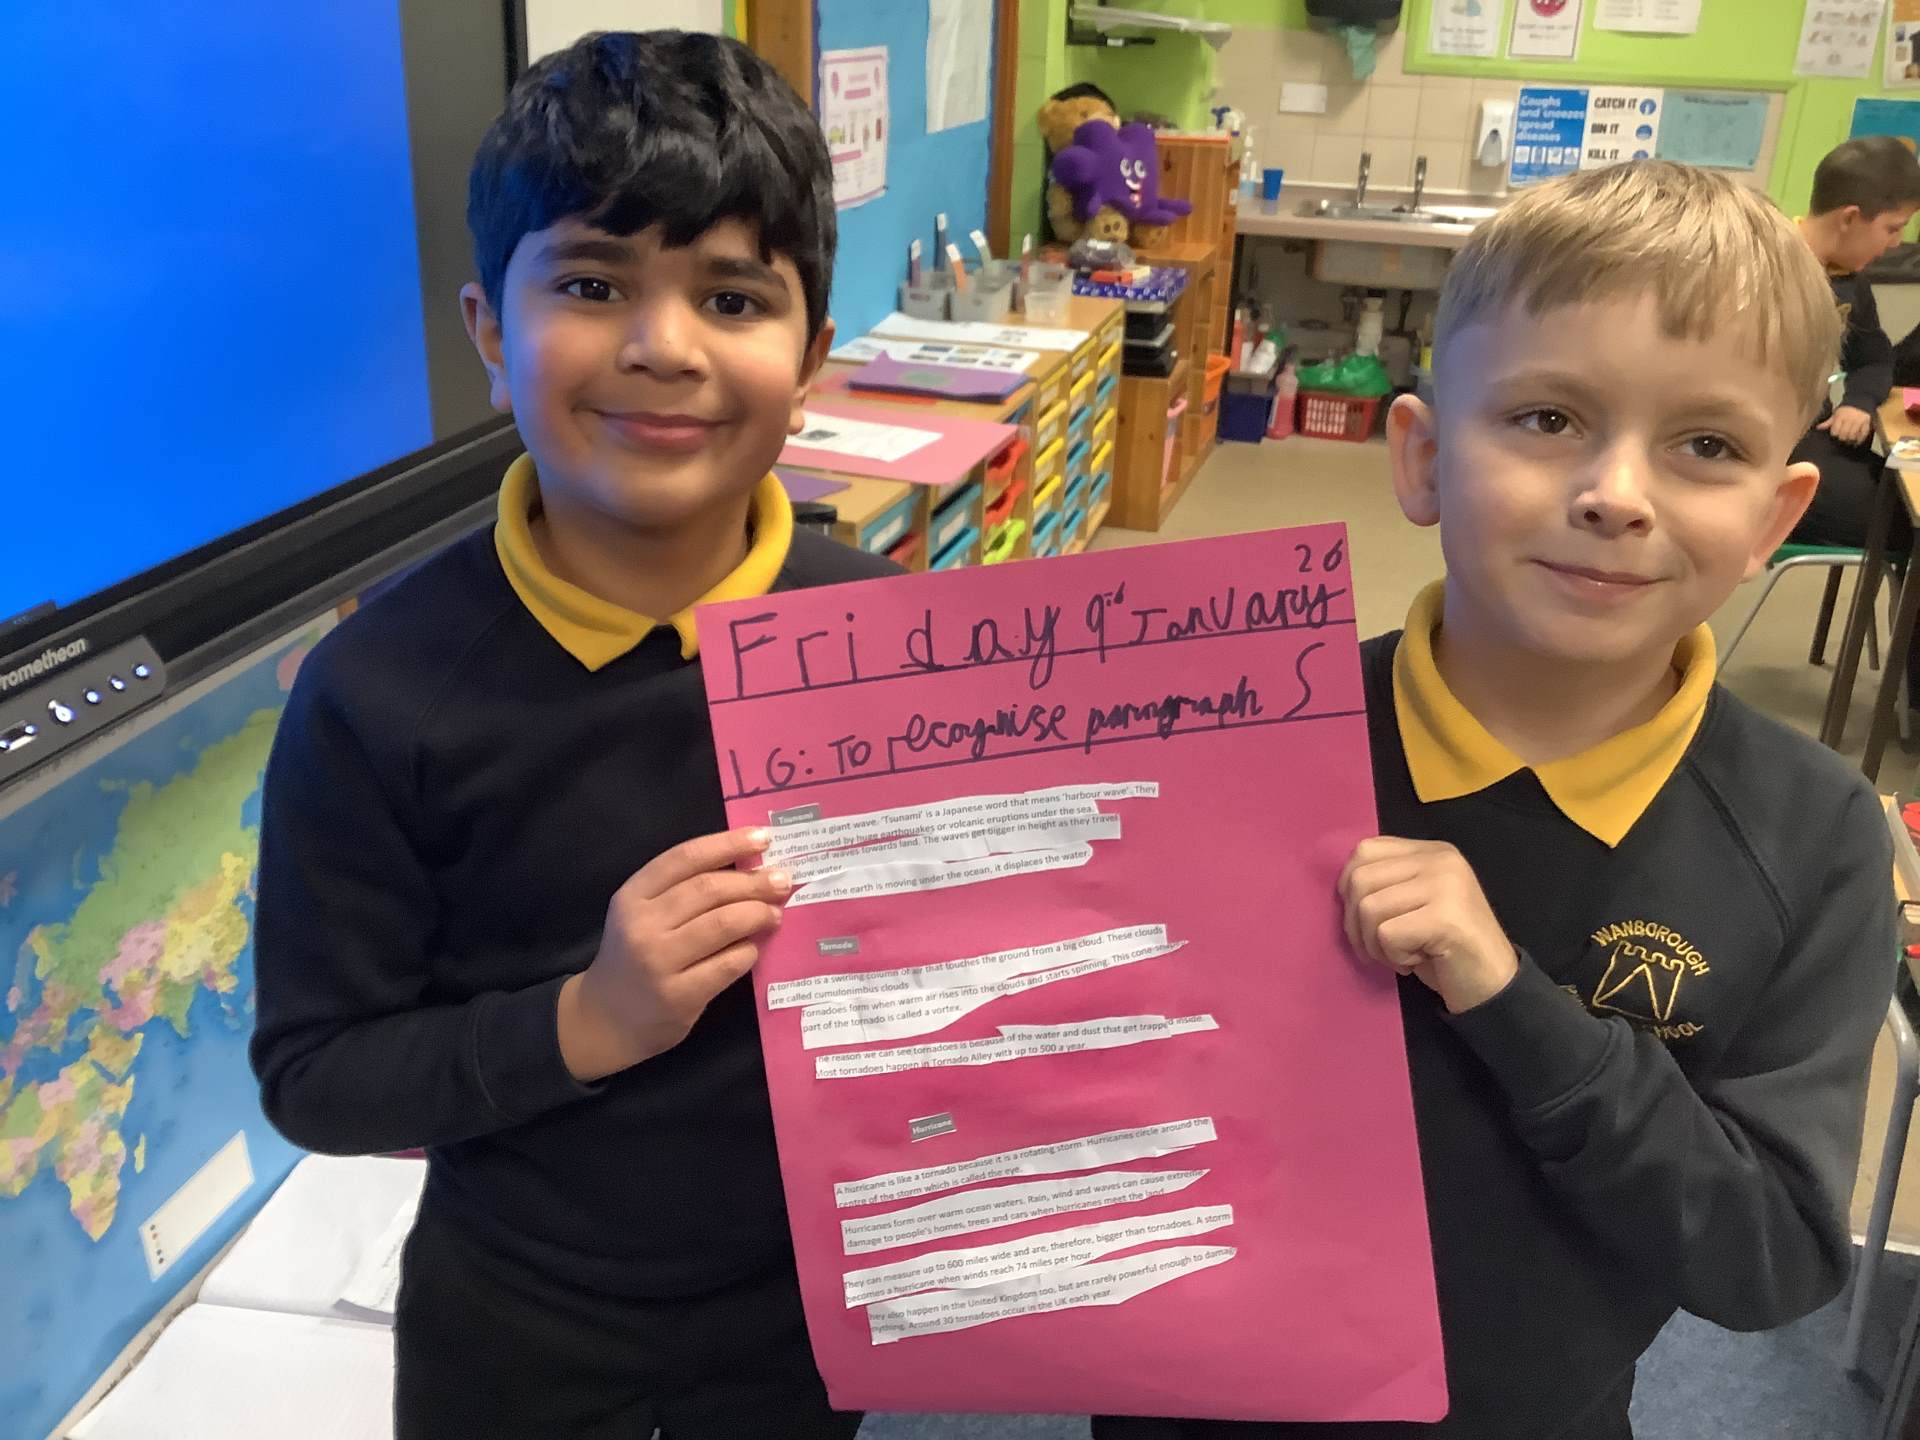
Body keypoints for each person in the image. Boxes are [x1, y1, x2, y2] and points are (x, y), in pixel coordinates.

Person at [1097, 163, 1897, 1438]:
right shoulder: (1223, 744)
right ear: (1421, 458)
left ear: (1774, 517)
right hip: (1188, 1403)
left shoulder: (1814, 837)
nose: (1617, 493)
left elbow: (1772, 1256)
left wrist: (1517, 1006)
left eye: (1706, 446)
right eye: (1547, 418)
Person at [250, 31, 896, 1440]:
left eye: (732, 298)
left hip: (813, 1311)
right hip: (520, 1319)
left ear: (810, 360)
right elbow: (315, 1074)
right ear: (491, 330)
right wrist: (589, 1020)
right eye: (594, 286)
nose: (663, 346)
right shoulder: (378, 691)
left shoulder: (889, 640)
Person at [1789, 135, 1920, 700]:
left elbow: (1875, 358)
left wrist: (1858, 402)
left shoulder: (1846, 278)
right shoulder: (1767, 269)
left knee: (1902, 502)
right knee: (1910, 523)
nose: (1897, 243)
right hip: (1777, 461)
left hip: (1818, 445)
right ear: (1849, 217)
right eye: (1892, 228)